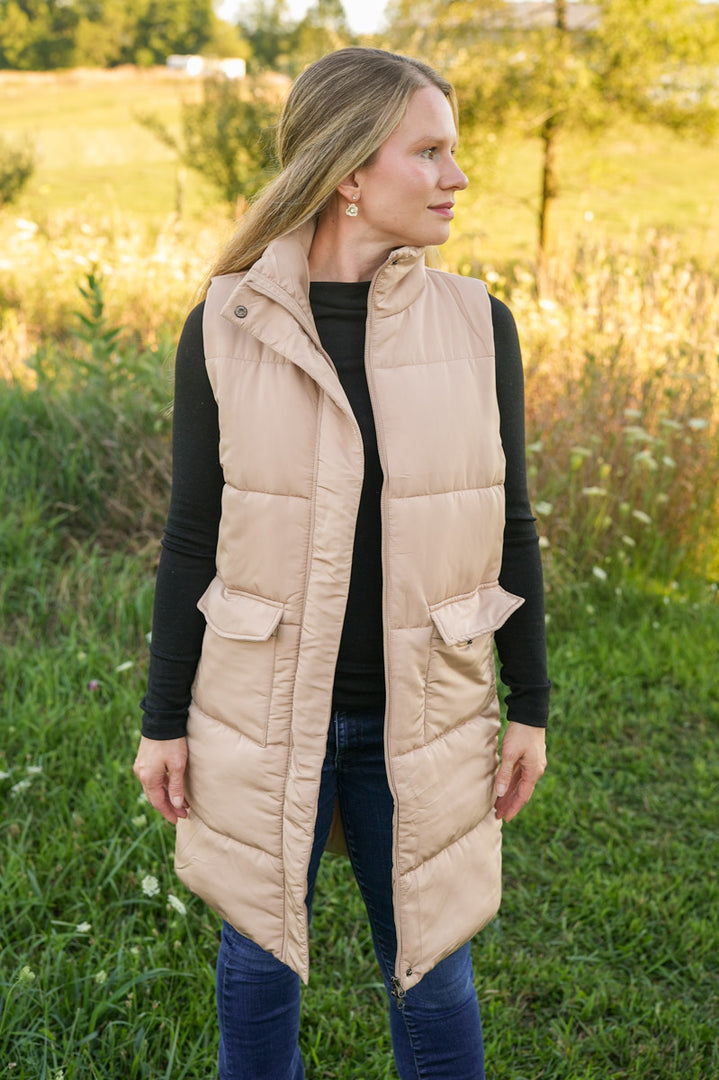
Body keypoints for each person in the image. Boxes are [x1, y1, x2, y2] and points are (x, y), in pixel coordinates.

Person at [133, 46, 550, 1080]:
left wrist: (530, 703)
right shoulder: (228, 326)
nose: (456, 176)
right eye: (431, 151)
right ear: (352, 173)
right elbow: (193, 535)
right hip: (263, 710)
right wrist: (163, 718)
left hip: (428, 711)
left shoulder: (477, 326)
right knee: (258, 961)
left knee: (435, 978)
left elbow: (515, 526)